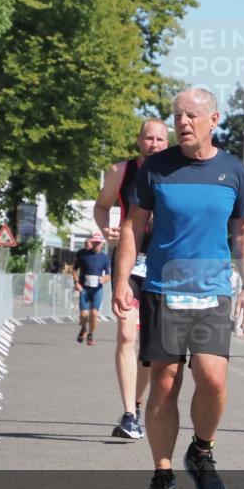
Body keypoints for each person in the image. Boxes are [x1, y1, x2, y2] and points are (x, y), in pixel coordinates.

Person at [112, 87, 244, 489]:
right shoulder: (155, 168)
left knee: (213, 379)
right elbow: (131, 227)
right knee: (165, 383)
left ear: (214, 120)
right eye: (177, 115)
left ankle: (201, 450)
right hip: (162, 288)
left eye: (192, 115)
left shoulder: (233, 171)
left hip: (212, 290)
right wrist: (122, 279)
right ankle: (162, 475)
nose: (183, 123)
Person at [93, 119, 171, 439]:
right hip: (129, 259)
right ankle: (128, 414)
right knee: (127, 333)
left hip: (163, 262)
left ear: (168, 143)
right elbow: (101, 206)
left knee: (151, 351)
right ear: (139, 140)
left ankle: (136, 404)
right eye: (149, 138)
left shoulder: (178, 173)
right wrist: (106, 230)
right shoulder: (120, 171)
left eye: (160, 139)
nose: (154, 143)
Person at [72, 235, 110, 345]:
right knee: (84, 315)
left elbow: (108, 275)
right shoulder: (83, 255)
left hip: (97, 289)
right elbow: (74, 270)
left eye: (98, 243)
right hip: (84, 288)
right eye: (94, 242)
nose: (96, 244)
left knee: (94, 313)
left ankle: (90, 334)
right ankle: (84, 328)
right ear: (92, 243)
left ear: (102, 244)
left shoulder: (104, 258)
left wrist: (104, 279)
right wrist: (76, 283)